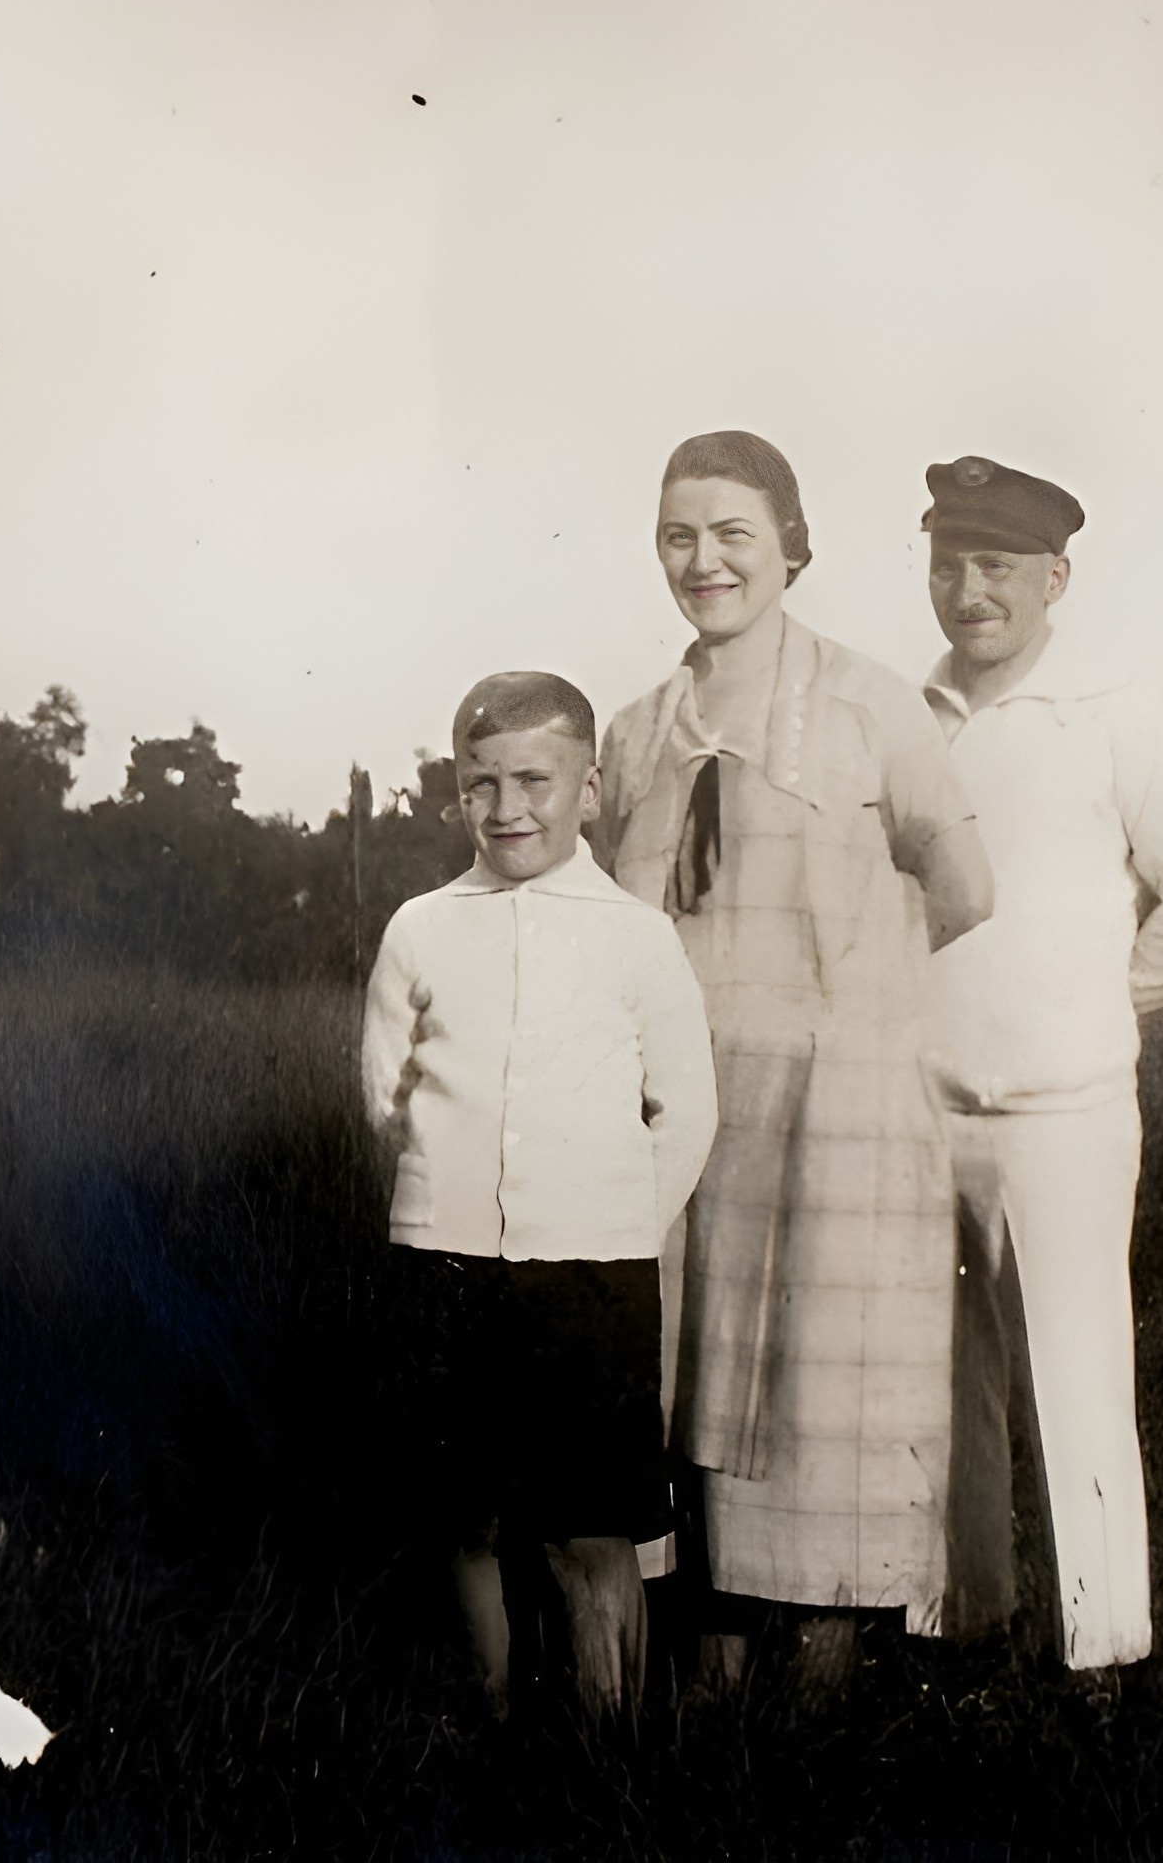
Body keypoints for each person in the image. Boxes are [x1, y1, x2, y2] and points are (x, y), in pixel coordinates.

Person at [595, 432, 993, 1701]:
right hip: (689, 1112)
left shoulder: (876, 706)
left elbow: (966, 888)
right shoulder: (638, 730)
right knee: (691, 1374)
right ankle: (710, 1687)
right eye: (678, 536)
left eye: (732, 536)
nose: (703, 562)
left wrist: (848, 1005)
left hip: (839, 1110)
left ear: (791, 548)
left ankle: (824, 1693)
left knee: (827, 1393)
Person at [918, 454, 1163, 1674]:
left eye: (995, 567)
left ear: (1056, 578)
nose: (969, 591)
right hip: (927, 1111)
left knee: (1078, 1377)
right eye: (947, 564)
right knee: (944, 1390)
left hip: (1067, 1112)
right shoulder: (911, 717)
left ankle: (1104, 1659)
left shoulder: (1116, 713)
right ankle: (962, 1627)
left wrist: (1100, 1007)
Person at [361, 671, 718, 1725]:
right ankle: (489, 1713)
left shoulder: (636, 935)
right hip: (447, 1268)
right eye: (480, 784)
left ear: (590, 789)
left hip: (590, 1278)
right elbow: (385, 1096)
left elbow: (686, 1111)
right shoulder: (423, 928)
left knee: (588, 1525)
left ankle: (608, 1743)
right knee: (463, 1513)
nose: (508, 808)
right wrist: (443, 1200)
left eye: (534, 780)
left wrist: (612, 1227)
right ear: (455, 791)